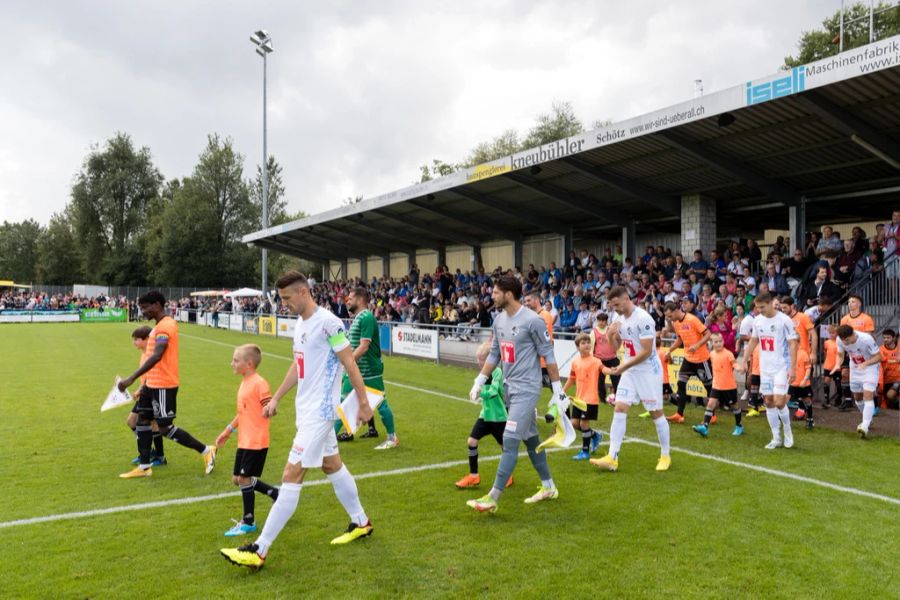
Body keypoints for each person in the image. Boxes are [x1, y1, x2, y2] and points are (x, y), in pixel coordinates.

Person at [220, 271, 375, 571]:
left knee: (292, 474)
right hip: (306, 411)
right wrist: (277, 397)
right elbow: (298, 365)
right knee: (332, 465)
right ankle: (361, 522)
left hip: (320, 412)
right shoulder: (301, 325)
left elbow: (349, 362)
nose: (284, 304)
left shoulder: (329, 323)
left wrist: (364, 403)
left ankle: (259, 549)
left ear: (304, 291)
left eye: (287, 298)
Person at [466, 276, 564, 513]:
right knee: (531, 439)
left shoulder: (533, 321)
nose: (493, 296)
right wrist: (479, 380)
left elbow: (548, 356)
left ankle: (493, 497)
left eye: (497, 293)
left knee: (510, 440)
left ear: (509, 294)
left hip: (528, 389)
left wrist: (557, 390)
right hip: (510, 389)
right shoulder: (499, 320)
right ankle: (549, 486)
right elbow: (494, 355)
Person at [118, 291, 216, 478]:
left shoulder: (166, 326)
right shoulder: (158, 327)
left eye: (145, 307)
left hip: (164, 383)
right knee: (142, 421)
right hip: (151, 383)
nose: (143, 311)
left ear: (157, 304)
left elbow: (157, 355)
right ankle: (145, 466)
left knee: (164, 428)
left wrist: (131, 378)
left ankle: (206, 450)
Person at [591, 286, 672, 473]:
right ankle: (612, 456)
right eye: (612, 306)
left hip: (647, 372)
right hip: (629, 370)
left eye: (617, 304)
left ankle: (666, 455)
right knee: (620, 407)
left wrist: (623, 367)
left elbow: (646, 351)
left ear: (626, 298)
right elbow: (618, 345)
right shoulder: (618, 319)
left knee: (656, 412)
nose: (615, 309)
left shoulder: (644, 319)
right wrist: (611, 335)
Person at [215, 345, 280, 537]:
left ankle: (248, 521)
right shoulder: (245, 381)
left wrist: (270, 409)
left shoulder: (259, 383)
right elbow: (243, 411)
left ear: (249, 364)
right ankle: (275, 494)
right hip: (244, 440)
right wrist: (228, 430)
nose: (232, 364)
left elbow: (268, 407)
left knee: (244, 478)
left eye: (236, 360)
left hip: (256, 441)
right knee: (237, 479)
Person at [335, 287, 398, 449]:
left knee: (381, 403)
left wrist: (348, 362)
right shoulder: (357, 318)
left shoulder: (367, 317)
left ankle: (392, 438)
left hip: (369, 371)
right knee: (341, 403)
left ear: (360, 299)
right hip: (355, 370)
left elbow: (364, 347)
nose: (347, 301)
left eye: (350, 298)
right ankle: (329, 440)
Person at [736, 292, 798, 450]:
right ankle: (776, 437)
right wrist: (744, 361)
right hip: (766, 369)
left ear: (771, 303)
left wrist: (792, 367)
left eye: (762, 307)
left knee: (779, 401)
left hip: (781, 367)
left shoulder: (784, 320)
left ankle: (788, 432)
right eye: (757, 307)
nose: (759, 310)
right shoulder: (757, 321)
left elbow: (792, 344)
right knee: (769, 402)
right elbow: (753, 341)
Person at [455, 340, 514, 489]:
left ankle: (508, 476)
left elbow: (494, 392)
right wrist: (474, 394)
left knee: (505, 447)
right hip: (485, 415)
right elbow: (479, 387)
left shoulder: (497, 372)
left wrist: (481, 393)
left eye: (482, 360)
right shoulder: (482, 374)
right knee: (471, 442)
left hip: (499, 417)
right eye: (478, 360)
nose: (479, 363)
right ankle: (474, 476)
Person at [662, 301, 712, 423]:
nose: (669, 318)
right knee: (681, 384)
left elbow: (708, 334)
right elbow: (680, 339)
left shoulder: (692, 319)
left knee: (709, 388)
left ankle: (712, 416)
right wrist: (670, 350)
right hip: (688, 359)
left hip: (701, 359)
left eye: (669, 316)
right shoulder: (676, 323)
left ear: (676, 311)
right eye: (667, 317)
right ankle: (679, 413)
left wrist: (697, 345)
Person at [125, 326, 166, 467]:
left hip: (152, 392)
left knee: (153, 425)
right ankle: (148, 452)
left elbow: (152, 377)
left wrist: (139, 390)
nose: (134, 343)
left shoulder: (151, 355)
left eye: (136, 340)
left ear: (146, 339)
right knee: (132, 421)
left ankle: (159, 457)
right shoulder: (144, 354)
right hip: (145, 392)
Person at [832, 325, 882, 438]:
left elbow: (879, 356)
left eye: (847, 340)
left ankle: (864, 425)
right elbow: (840, 355)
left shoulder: (866, 339)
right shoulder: (840, 339)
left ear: (852, 334)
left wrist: (866, 363)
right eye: (843, 340)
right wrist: (837, 364)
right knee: (857, 397)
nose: (845, 343)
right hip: (855, 368)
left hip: (870, 367)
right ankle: (868, 419)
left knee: (868, 394)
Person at [692, 332, 743, 438]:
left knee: (735, 406)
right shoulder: (711, 354)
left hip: (729, 387)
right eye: (716, 342)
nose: (719, 344)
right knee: (710, 404)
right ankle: (705, 427)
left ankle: (739, 426)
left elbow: (734, 363)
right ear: (712, 343)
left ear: (723, 342)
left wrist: (738, 367)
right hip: (716, 386)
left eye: (720, 341)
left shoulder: (728, 353)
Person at [563, 333, 604, 460]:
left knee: (584, 425)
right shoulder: (575, 362)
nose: (587, 344)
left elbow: (604, 369)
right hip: (578, 399)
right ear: (578, 347)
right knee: (575, 424)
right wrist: (562, 391)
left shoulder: (596, 361)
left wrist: (612, 370)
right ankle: (595, 435)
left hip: (590, 400)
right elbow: (571, 378)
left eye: (588, 342)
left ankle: (585, 452)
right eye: (583, 343)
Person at [590, 312, 620, 403]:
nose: (601, 322)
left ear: (607, 321)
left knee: (617, 379)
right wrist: (592, 359)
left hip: (612, 359)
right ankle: (602, 399)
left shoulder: (611, 330)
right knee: (600, 381)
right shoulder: (593, 331)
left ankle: (618, 398)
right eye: (599, 320)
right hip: (599, 360)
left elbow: (618, 341)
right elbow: (591, 346)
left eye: (603, 320)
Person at [789, 345, 814, 429]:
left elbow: (808, 369)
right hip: (791, 384)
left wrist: (805, 379)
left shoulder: (803, 354)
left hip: (803, 384)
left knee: (807, 401)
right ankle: (779, 419)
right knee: (784, 399)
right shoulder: (787, 353)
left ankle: (810, 419)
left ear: (798, 342)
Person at [880, 329, 899, 409]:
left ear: (894, 338)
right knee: (889, 404)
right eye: (884, 338)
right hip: (887, 380)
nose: (886, 340)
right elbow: (882, 360)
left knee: (890, 395)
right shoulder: (881, 349)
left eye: (888, 338)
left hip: (898, 379)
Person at [822, 325, 840, 409]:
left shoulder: (840, 342)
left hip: (837, 367)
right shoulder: (827, 342)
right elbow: (825, 353)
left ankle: (838, 399)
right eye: (830, 333)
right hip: (828, 366)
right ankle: (827, 400)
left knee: (838, 384)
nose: (831, 334)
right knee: (826, 382)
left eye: (833, 333)